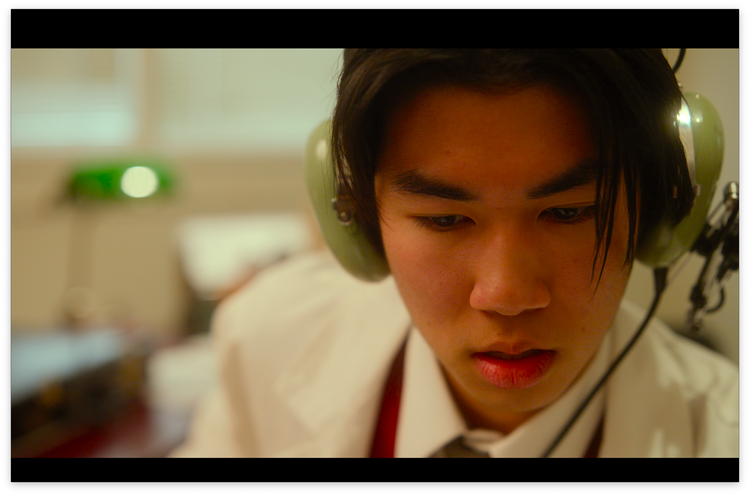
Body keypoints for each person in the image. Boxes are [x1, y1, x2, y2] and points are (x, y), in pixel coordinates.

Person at [172, 50, 738, 457]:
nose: (507, 295)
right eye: (444, 220)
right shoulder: (265, 342)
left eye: (568, 213)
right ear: (358, 218)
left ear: (664, 213)